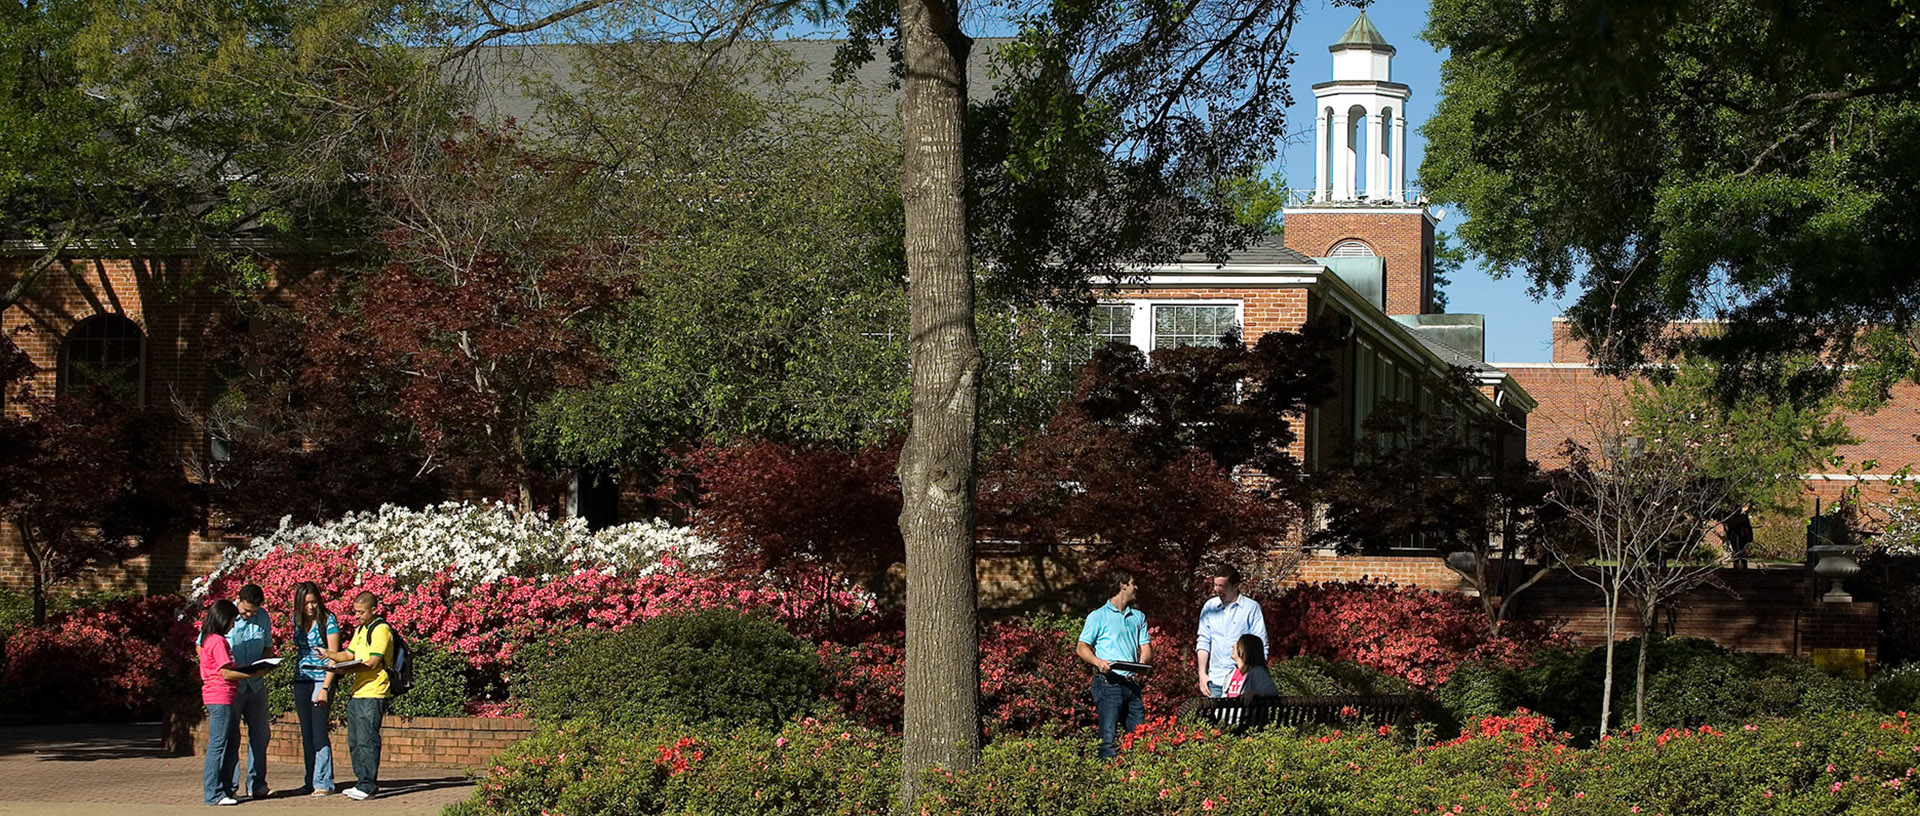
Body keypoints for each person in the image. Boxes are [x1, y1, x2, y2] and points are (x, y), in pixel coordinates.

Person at [199, 600, 273, 807]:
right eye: (231, 621)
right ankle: (213, 793)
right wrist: (252, 673)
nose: (233, 625)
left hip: (223, 696)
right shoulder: (218, 641)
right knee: (218, 745)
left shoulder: (210, 639)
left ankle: (225, 790)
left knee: (230, 741)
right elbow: (225, 672)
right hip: (220, 696)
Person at [324, 591, 393, 801]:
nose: (358, 616)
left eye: (361, 612)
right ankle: (360, 781)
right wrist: (327, 654)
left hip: (374, 691)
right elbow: (348, 655)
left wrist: (346, 670)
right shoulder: (361, 629)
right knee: (355, 740)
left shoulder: (381, 630)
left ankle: (368, 785)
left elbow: (372, 662)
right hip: (358, 692)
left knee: (367, 740)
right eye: (355, 612)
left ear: (374, 610)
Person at [1076, 569, 1151, 759]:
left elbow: (1146, 648)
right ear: (1122, 585)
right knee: (1107, 739)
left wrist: (1141, 664)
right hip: (1108, 683)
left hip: (1132, 684)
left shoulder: (1138, 617)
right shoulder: (1098, 616)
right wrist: (1098, 662)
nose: (1136, 587)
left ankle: (1136, 781)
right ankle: (1107, 782)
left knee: (1139, 738)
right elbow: (1081, 647)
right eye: (1133, 583)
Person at [289, 582, 341, 796]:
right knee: (307, 733)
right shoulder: (297, 620)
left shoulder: (328, 620)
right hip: (302, 678)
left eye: (313, 602)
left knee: (319, 732)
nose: (310, 607)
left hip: (321, 679)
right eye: (306, 603)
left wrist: (326, 688)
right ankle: (310, 779)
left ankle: (323, 781)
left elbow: (334, 657)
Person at [226, 583, 277, 799]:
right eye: (246, 610)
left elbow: (268, 645)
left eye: (253, 611)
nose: (248, 615)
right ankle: (229, 786)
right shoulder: (224, 614)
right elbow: (203, 644)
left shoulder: (262, 617)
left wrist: (266, 662)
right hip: (233, 685)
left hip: (255, 685)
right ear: (238, 600)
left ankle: (257, 784)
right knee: (231, 736)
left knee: (260, 734)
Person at [1195, 565, 1267, 697]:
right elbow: (1203, 641)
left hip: (1241, 681)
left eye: (1222, 586)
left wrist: (1256, 679)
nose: (1217, 590)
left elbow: (1261, 646)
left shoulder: (1251, 608)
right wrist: (1202, 674)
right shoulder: (1210, 607)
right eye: (1215, 585)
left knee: (1238, 717)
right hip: (1215, 680)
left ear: (1235, 586)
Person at [1223, 633, 1280, 698]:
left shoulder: (1258, 672)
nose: (1233, 646)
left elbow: (1271, 691)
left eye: (1237, 643)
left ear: (1244, 649)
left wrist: (1254, 692)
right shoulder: (1231, 674)